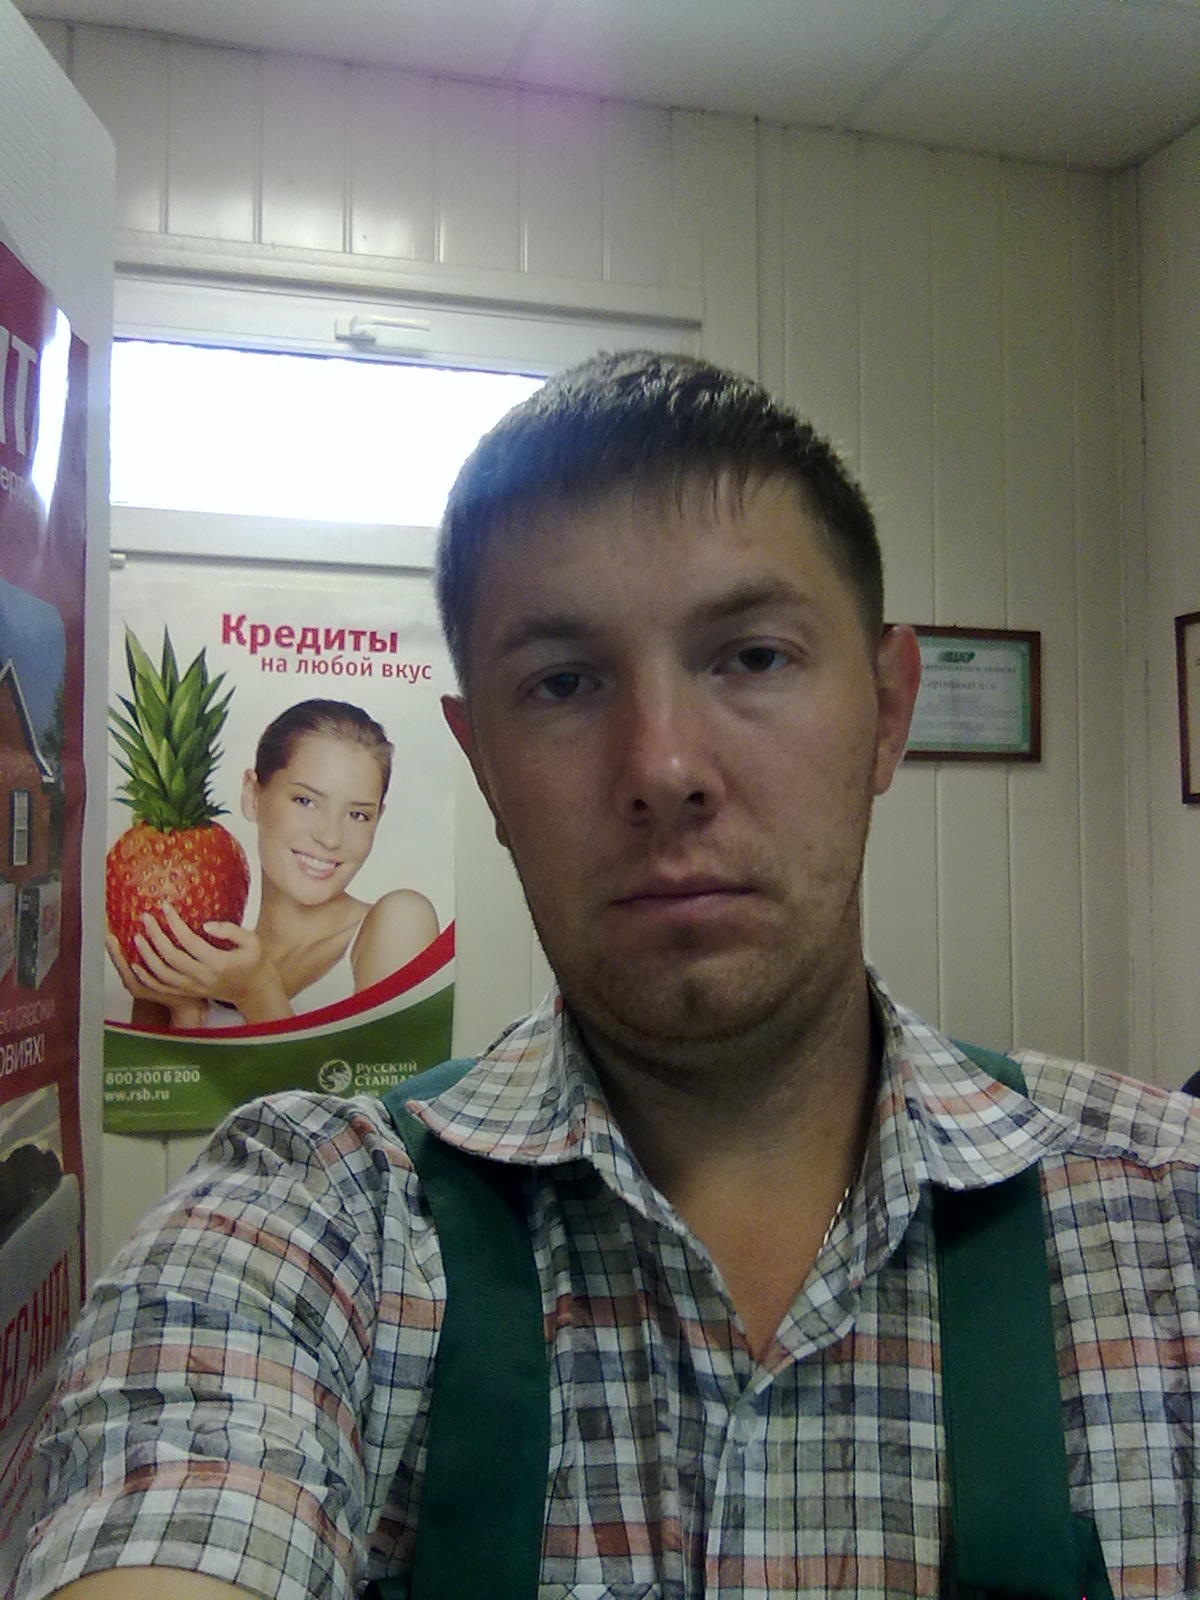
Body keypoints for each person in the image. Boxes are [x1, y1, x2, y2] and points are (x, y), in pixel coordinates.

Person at [18, 353, 1200, 1600]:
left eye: (753, 656)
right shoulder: (308, 1222)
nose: (664, 766)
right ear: (482, 762)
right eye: (565, 682)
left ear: (888, 712)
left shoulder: (1171, 1213)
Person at [105, 699, 439, 1027]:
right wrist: (184, 1010)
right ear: (252, 795)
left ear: (378, 818)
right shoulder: (203, 959)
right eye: (305, 801)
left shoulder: (399, 921)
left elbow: (397, 1067)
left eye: (357, 814)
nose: (330, 838)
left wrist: (258, 994)